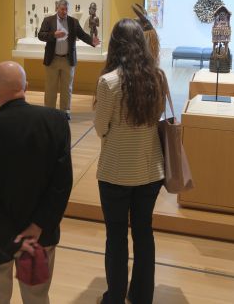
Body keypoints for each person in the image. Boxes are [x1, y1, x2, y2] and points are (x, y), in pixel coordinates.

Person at [0, 61, 73, 304]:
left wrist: (11, 236)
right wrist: (37, 226)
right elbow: (62, 184)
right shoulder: (56, 122)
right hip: (40, 237)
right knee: (37, 298)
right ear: (26, 86)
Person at [94, 18, 167, 304]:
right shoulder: (157, 78)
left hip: (115, 172)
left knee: (116, 236)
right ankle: (141, 296)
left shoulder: (108, 82)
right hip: (150, 171)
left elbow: (101, 128)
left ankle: (115, 297)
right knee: (143, 232)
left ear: (115, 45)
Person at [38, 0, 100, 119]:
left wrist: (92, 41)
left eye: (66, 9)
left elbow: (82, 35)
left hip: (68, 60)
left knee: (67, 88)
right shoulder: (48, 20)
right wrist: (53, 35)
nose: (65, 11)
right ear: (57, 8)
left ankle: (65, 112)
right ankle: (49, 113)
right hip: (53, 59)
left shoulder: (73, 21)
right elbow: (40, 35)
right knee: (51, 87)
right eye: (62, 9)